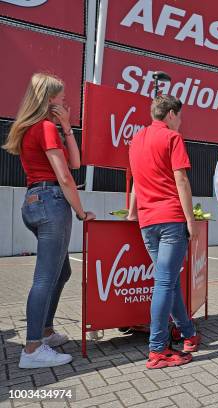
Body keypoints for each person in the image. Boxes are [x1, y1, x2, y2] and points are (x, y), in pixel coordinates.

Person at [2, 73, 96, 369]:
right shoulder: (44, 128)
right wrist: (81, 212)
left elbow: (77, 163)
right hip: (51, 202)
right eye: (62, 98)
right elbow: (66, 175)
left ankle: (44, 331)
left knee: (62, 271)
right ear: (49, 100)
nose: (65, 102)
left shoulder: (33, 128)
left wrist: (67, 127)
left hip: (33, 202)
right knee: (45, 277)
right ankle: (32, 349)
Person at [127, 95, 200, 369]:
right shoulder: (172, 138)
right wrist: (190, 222)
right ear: (170, 114)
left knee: (167, 281)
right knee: (165, 283)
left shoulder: (136, 140)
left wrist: (134, 213)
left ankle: (189, 334)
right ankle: (157, 350)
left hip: (147, 221)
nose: (180, 122)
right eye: (179, 116)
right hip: (170, 219)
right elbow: (181, 179)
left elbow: (136, 180)